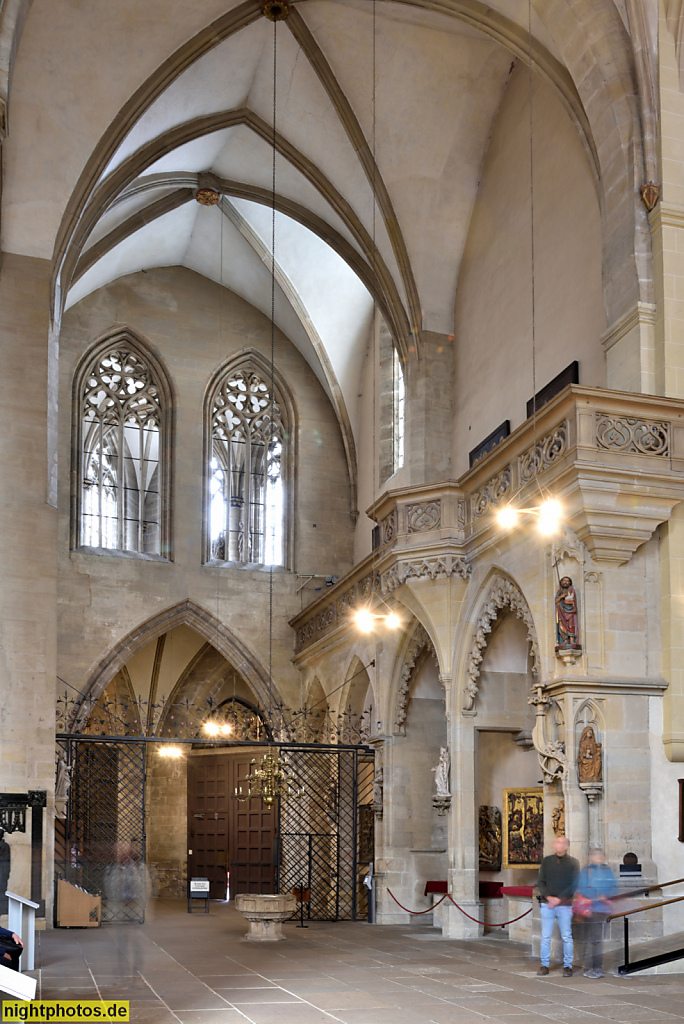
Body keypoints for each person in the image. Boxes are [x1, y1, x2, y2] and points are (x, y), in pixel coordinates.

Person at [537, 835, 579, 976]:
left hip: (565, 905)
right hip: (547, 904)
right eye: (556, 842)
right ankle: (544, 965)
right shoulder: (547, 861)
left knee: (567, 936)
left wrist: (559, 899)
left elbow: (574, 884)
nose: (557, 845)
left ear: (566, 846)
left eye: (561, 843)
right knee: (545, 936)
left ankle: (567, 965)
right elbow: (541, 882)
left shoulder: (573, 863)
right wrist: (549, 897)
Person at [576, 849, 617, 978]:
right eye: (596, 855)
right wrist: (598, 896)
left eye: (601, 855)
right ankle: (590, 968)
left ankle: (597, 967)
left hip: (603, 910)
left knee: (598, 940)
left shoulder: (607, 871)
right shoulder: (586, 871)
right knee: (592, 940)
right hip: (591, 908)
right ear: (590, 857)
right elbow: (582, 888)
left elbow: (614, 886)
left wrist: (607, 895)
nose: (599, 857)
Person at [555, 576, 579, 648]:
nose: (565, 582)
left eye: (567, 581)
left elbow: (573, 600)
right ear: (561, 582)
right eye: (564, 581)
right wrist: (561, 597)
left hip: (571, 611)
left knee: (571, 625)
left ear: (570, 583)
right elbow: (556, 601)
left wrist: (567, 601)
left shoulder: (572, 590)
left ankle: (572, 641)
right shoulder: (559, 592)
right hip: (561, 611)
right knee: (561, 625)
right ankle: (564, 641)